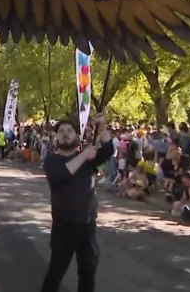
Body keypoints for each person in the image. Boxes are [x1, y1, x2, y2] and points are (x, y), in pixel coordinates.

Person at [40, 115, 114, 292]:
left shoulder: (88, 158)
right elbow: (63, 173)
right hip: (63, 226)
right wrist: (84, 155)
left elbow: (108, 149)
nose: (66, 134)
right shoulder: (51, 160)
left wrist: (102, 127)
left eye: (70, 131)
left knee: (87, 273)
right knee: (56, 271)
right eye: (61, 131)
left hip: (86, 225)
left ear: (77, 136)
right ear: (56, 137)